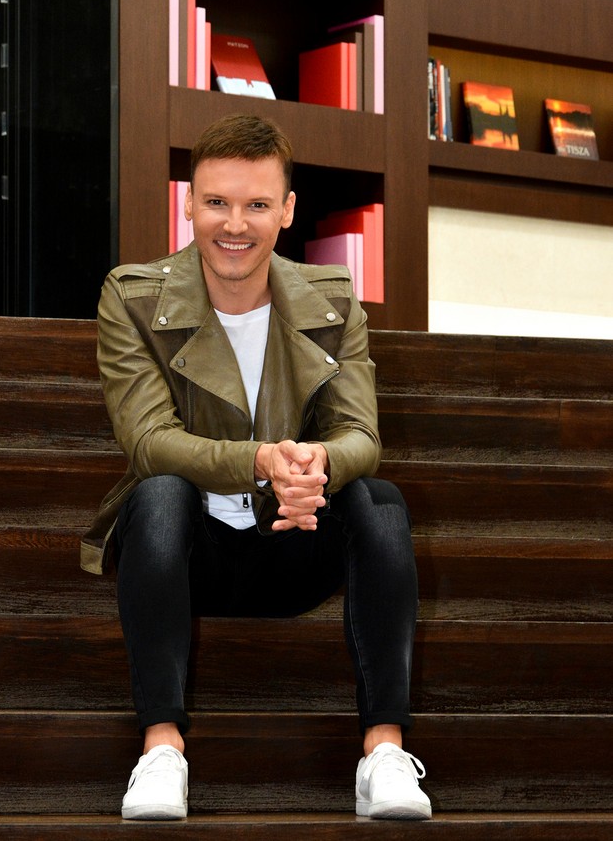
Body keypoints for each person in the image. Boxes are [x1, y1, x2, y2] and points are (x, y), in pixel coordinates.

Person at [81, 113, 432, 821]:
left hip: (295, 540)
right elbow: (148, 441)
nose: (234, 224)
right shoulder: (133, 297)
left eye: (257, 204)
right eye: (217, 201)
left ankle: (384, 754)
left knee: (381, 499)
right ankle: (161, 751)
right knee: (158, 492)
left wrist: (315, 465)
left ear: (287, 210)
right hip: (188, 552)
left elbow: (360, 434)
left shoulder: (333, 300)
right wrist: (261, 462)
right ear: (188, 202)